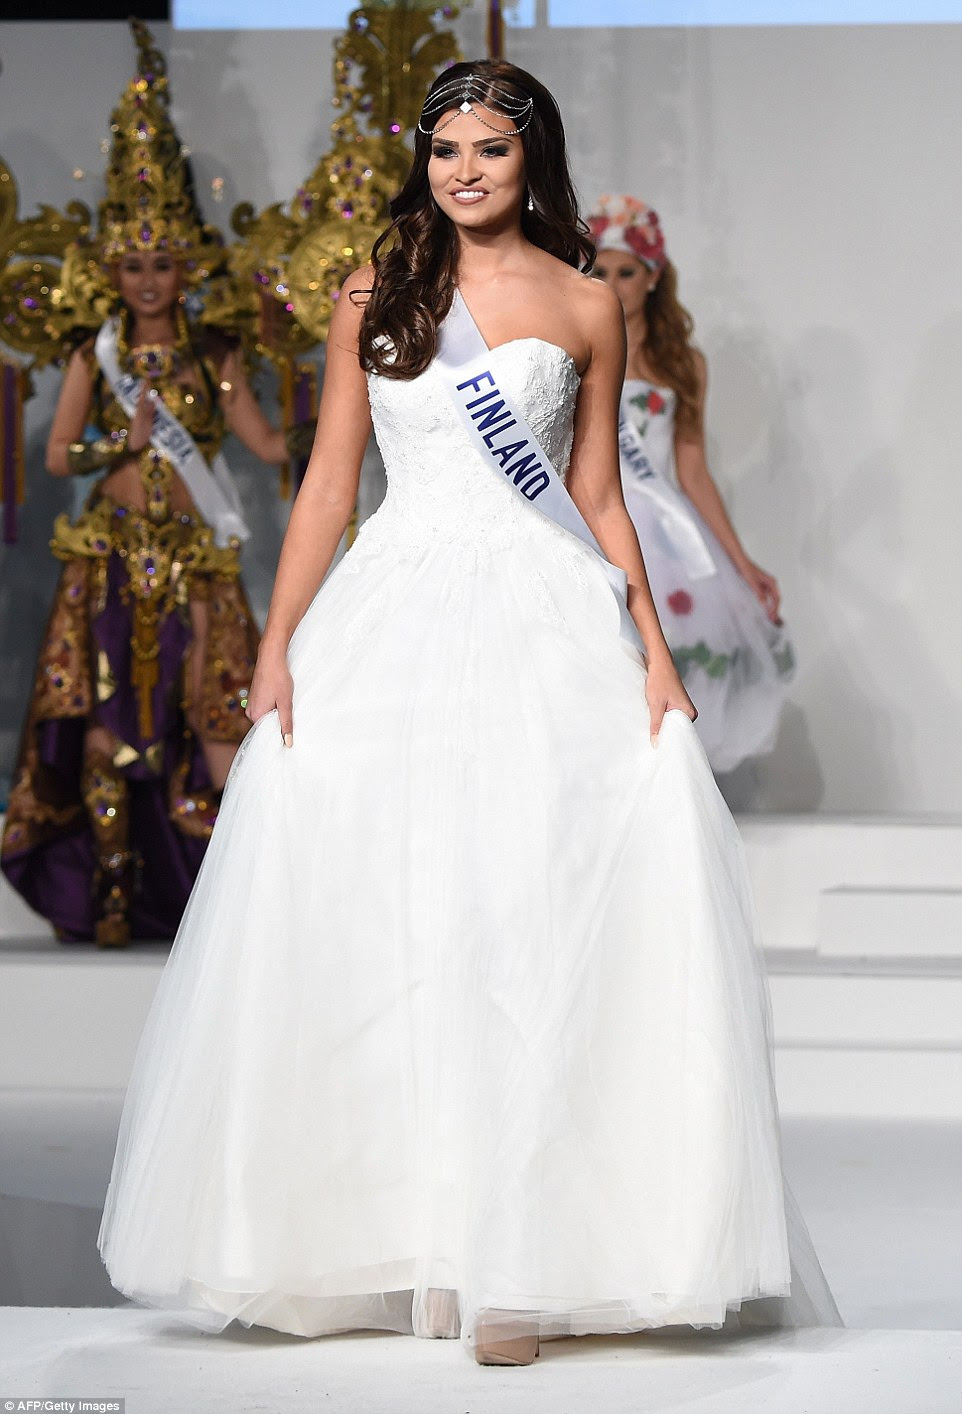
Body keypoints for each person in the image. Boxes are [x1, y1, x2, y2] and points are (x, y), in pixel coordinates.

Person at [98, 60, 837, 1363]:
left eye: (488, 147)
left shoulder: (585, 303)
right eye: (444, 148)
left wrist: (657, 658)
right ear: (422, 162)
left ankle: (525, 1259)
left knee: (532, 913)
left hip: (544, 618)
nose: (464, 170)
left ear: (527, 155)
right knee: (393, 914)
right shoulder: (375, 298)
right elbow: (328, 486)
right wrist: (275, 647)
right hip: (392, 615)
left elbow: (599, 497)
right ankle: (425, 1242)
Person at [0, 25, 306, 945]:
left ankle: (230, 893)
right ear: (112, 269)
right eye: (130, 265)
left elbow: (259, 441)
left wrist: (324, 417)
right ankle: (110, 891)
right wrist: (117, 447)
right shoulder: (97, 360)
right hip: (108, 561)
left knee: (210, 715)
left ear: (187, 265)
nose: (145, 280)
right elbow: (55, 458)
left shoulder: (215, 356)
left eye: (161, 263)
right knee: (103, 729)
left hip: (199, 564)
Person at [588, 196, 794, 773]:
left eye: (626, 271)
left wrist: (743, 562)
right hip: (593, 518)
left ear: (653, 277)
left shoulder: (684, 363)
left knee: (673, 655)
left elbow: (693, 470)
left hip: (663, 527)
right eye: (599, 270)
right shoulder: (574, 343)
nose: (612, 283)